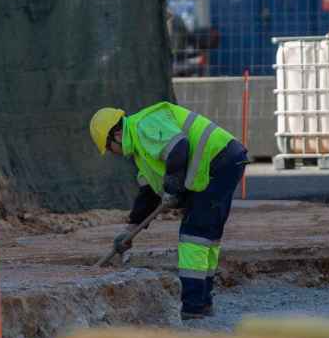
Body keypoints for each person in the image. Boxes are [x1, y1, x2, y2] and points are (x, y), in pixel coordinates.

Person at [89, 103, 248, 321]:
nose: (111, 153)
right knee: (207, 235)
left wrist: (173, 185)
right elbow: (148, 194)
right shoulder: (140, 151)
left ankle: (194, 305)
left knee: (195, 235)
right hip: (222, 162)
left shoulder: (144, 125)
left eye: (108, 147)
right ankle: (202, 303)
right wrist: (131, 229)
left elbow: (179, 148)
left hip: (219, 160)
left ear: (117, 134)